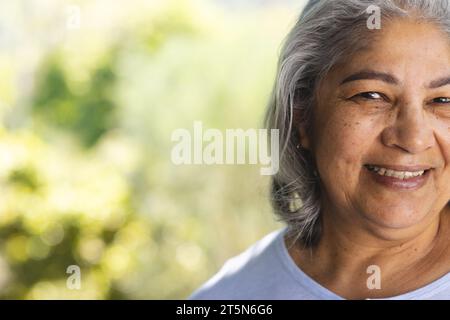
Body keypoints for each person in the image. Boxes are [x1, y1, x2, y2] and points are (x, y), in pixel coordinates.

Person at [190, 0, 450, 299]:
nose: (413, 138)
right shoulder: (228, 296)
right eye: (371, 95)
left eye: (443, 101)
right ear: (302, 113)